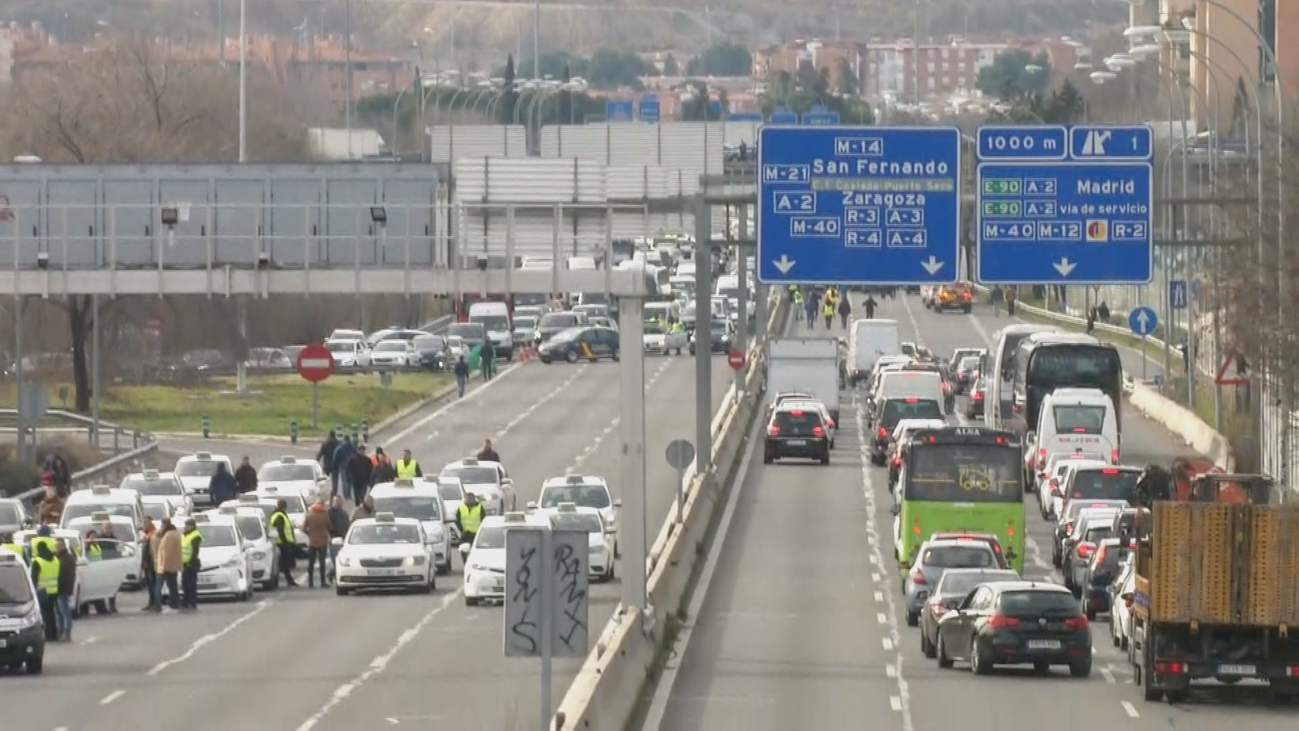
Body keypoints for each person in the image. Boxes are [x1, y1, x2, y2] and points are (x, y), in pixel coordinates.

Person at [30, 541, 60, 641]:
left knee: (45, 614)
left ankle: (48, 635)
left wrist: (32, 591)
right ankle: (54, 634)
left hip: (42, 592)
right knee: (52, 613)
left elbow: (34, 578)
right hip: (54, 590)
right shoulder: (55, 559)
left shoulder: (38, 561)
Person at [301, 500, 331, 588]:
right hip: (322, 541)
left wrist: (309, 534)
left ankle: (310, 582)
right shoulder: (324, 515)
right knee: (322, 563)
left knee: (311, 562)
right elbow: (330, 526)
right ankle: (322, 582)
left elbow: (303, 528)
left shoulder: (309, 514)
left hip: (312, 541)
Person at [153, 518, 182, 611]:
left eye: (162, 524)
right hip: (174, 565)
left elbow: (165, 552)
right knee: (173, 586)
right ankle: (175, 604)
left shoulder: (168, 536)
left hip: (165, 566)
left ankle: (159, 605)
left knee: (159, 587)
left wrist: (163, 566)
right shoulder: (176, 533)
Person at [269, 500, 298, 588]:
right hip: (282, 543)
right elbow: (280, 530)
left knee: (284, 564)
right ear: (284, 507)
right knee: (285, 564)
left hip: (282, 542)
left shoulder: (278, 515)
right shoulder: (279, 516)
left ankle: (289, 580)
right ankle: (289, 580)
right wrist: (285, 541)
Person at [54, 538, 76, 638]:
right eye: (56, 546)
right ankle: (61, 631)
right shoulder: (56, 557)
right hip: (56, 588)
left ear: (63, 546)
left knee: (64, 611)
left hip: (63, 588)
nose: (57, 548)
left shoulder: (68, 558)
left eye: (59, 546)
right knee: (59, 612)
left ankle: (67, 632)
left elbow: (70, 575)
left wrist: (69, 588)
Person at [180, 518, 202, 610]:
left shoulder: (195, 536)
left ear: (192, 526)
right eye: (185, 525)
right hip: (184, 563)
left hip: (191, 564)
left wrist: (190, 562)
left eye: (187, 525)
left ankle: (192, 602)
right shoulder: (184, 535)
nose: (185, 527)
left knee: (191, 584)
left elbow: (195, 551)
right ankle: (186, 602)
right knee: (185, 584)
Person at [326, 495, 350, 580]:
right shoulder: (329, 513)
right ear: (333, 502)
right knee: (334, 560)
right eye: (336, 501)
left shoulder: (343, 513)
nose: (338, 503)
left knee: (341, 560)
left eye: (340, 501)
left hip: (343, 540)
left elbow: (347, 525)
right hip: (333, 540)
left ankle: (334, 575)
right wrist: (330, 536)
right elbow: (328, 526)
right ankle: (331, 575)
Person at [139, 516, 158, 611]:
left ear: (150, 523)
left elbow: (152, 551)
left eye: (145, 523)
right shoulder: (147, 534)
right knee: (149, 585)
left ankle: (155, 602)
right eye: (143, 523)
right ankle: (151, 602)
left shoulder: (153, 534)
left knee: (153, 584)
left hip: (151, 564)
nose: (143, 525)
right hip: (147, 564)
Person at [331, 435, 356, 500]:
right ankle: (349, 493)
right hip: (352, 465)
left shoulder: (339, 448)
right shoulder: (352, 447)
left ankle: (345, 494)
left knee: (344, 480)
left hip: (343, 466)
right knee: (349, 480)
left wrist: (335, 466)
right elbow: (356, 455)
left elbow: (335, 457)